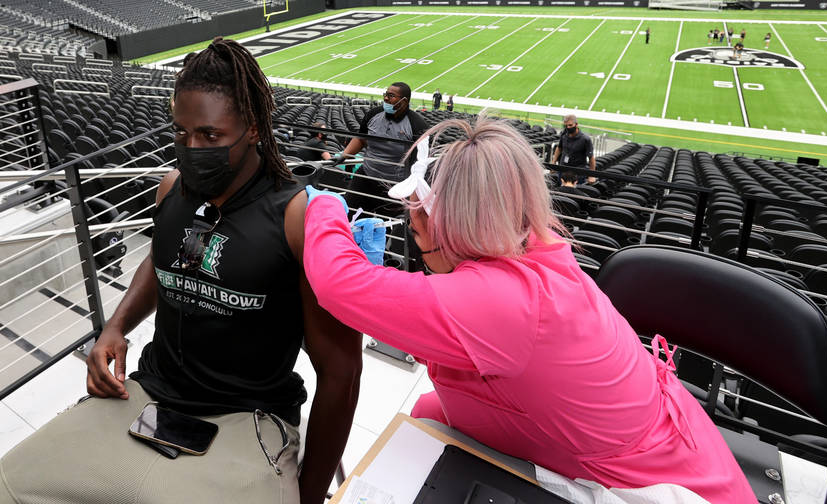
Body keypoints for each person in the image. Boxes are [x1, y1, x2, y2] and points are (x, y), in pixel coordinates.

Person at [0, 37, 360, 504]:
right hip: (149, 394)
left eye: (210, 136)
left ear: (252, 128)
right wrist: (117, 326)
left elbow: (342, 372)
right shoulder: (172, 189)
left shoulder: (296, 218)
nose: (192, 149)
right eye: (181, 134)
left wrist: (310, 496)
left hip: (247, 415)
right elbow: (161, 258)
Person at [299, 117, 753, 502]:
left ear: (449, 228)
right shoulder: (537, 244)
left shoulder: (500, 303)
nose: (415, 242)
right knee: (427, 411)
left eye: (417, 230)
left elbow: (338, 284)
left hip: (644, 486)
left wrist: (324, 208)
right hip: (663, 444)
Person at [334, 82, 428, 215]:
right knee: (348, 213)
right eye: (385, 94)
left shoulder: (417, 125)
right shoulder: (374, 114)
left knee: (384, 225)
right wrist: (344, 155)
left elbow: (419, 161)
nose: (385, 98)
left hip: (393, 185)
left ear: (404, 101)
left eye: (391, 96)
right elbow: (361, 139)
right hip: (366, 175)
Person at [552, 113, 595, 183]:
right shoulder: (564, 134)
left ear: (576, 124)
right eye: (566, 125)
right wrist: (553, 162)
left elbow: (591, 157)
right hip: (563, 170)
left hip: (578, 173)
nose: (568, 127)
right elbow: (559, 148)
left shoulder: (585, 139)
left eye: (570, 125)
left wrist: (592, 175)